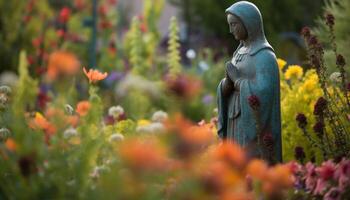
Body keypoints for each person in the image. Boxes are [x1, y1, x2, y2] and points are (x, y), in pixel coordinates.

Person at [217, 1, 282, 163]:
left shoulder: (264, 56)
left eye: (234, 25)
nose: (230, 30)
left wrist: (238, 80)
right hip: (235, 121)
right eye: (229, 25)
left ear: (249, 23)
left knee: (249, 165)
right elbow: (229, 87)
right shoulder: (239, 52)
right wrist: (226, 84)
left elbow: (264, 92)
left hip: (251, 128)